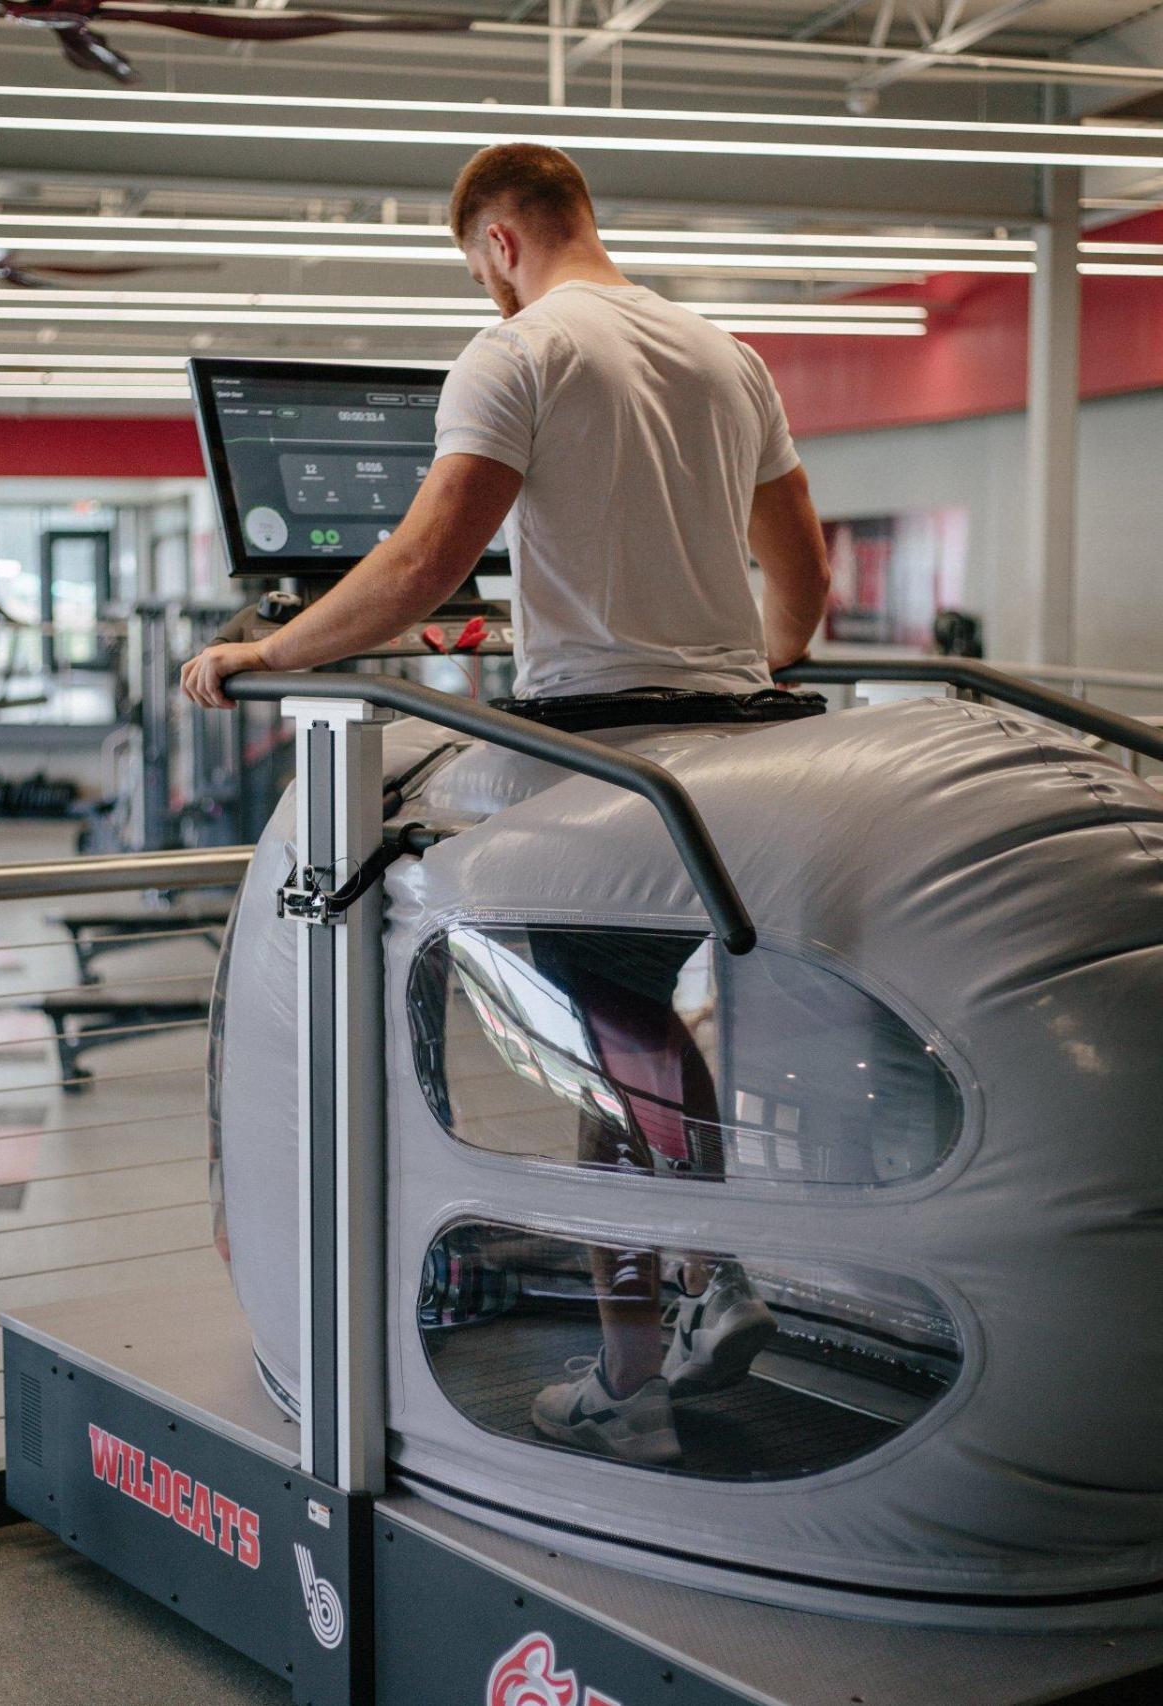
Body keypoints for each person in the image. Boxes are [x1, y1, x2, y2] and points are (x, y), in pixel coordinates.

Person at [182, 141, 832, 1465]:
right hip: (735, 769)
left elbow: (423, 560)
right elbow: (802, 586)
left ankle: (649, 1367)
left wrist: (267, 653)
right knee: (645, 1040)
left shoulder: (519, 350)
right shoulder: (724, 355)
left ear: (497, 246)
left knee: (604, 1059)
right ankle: (695, 1294)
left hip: (602, 771)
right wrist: (718, 668)